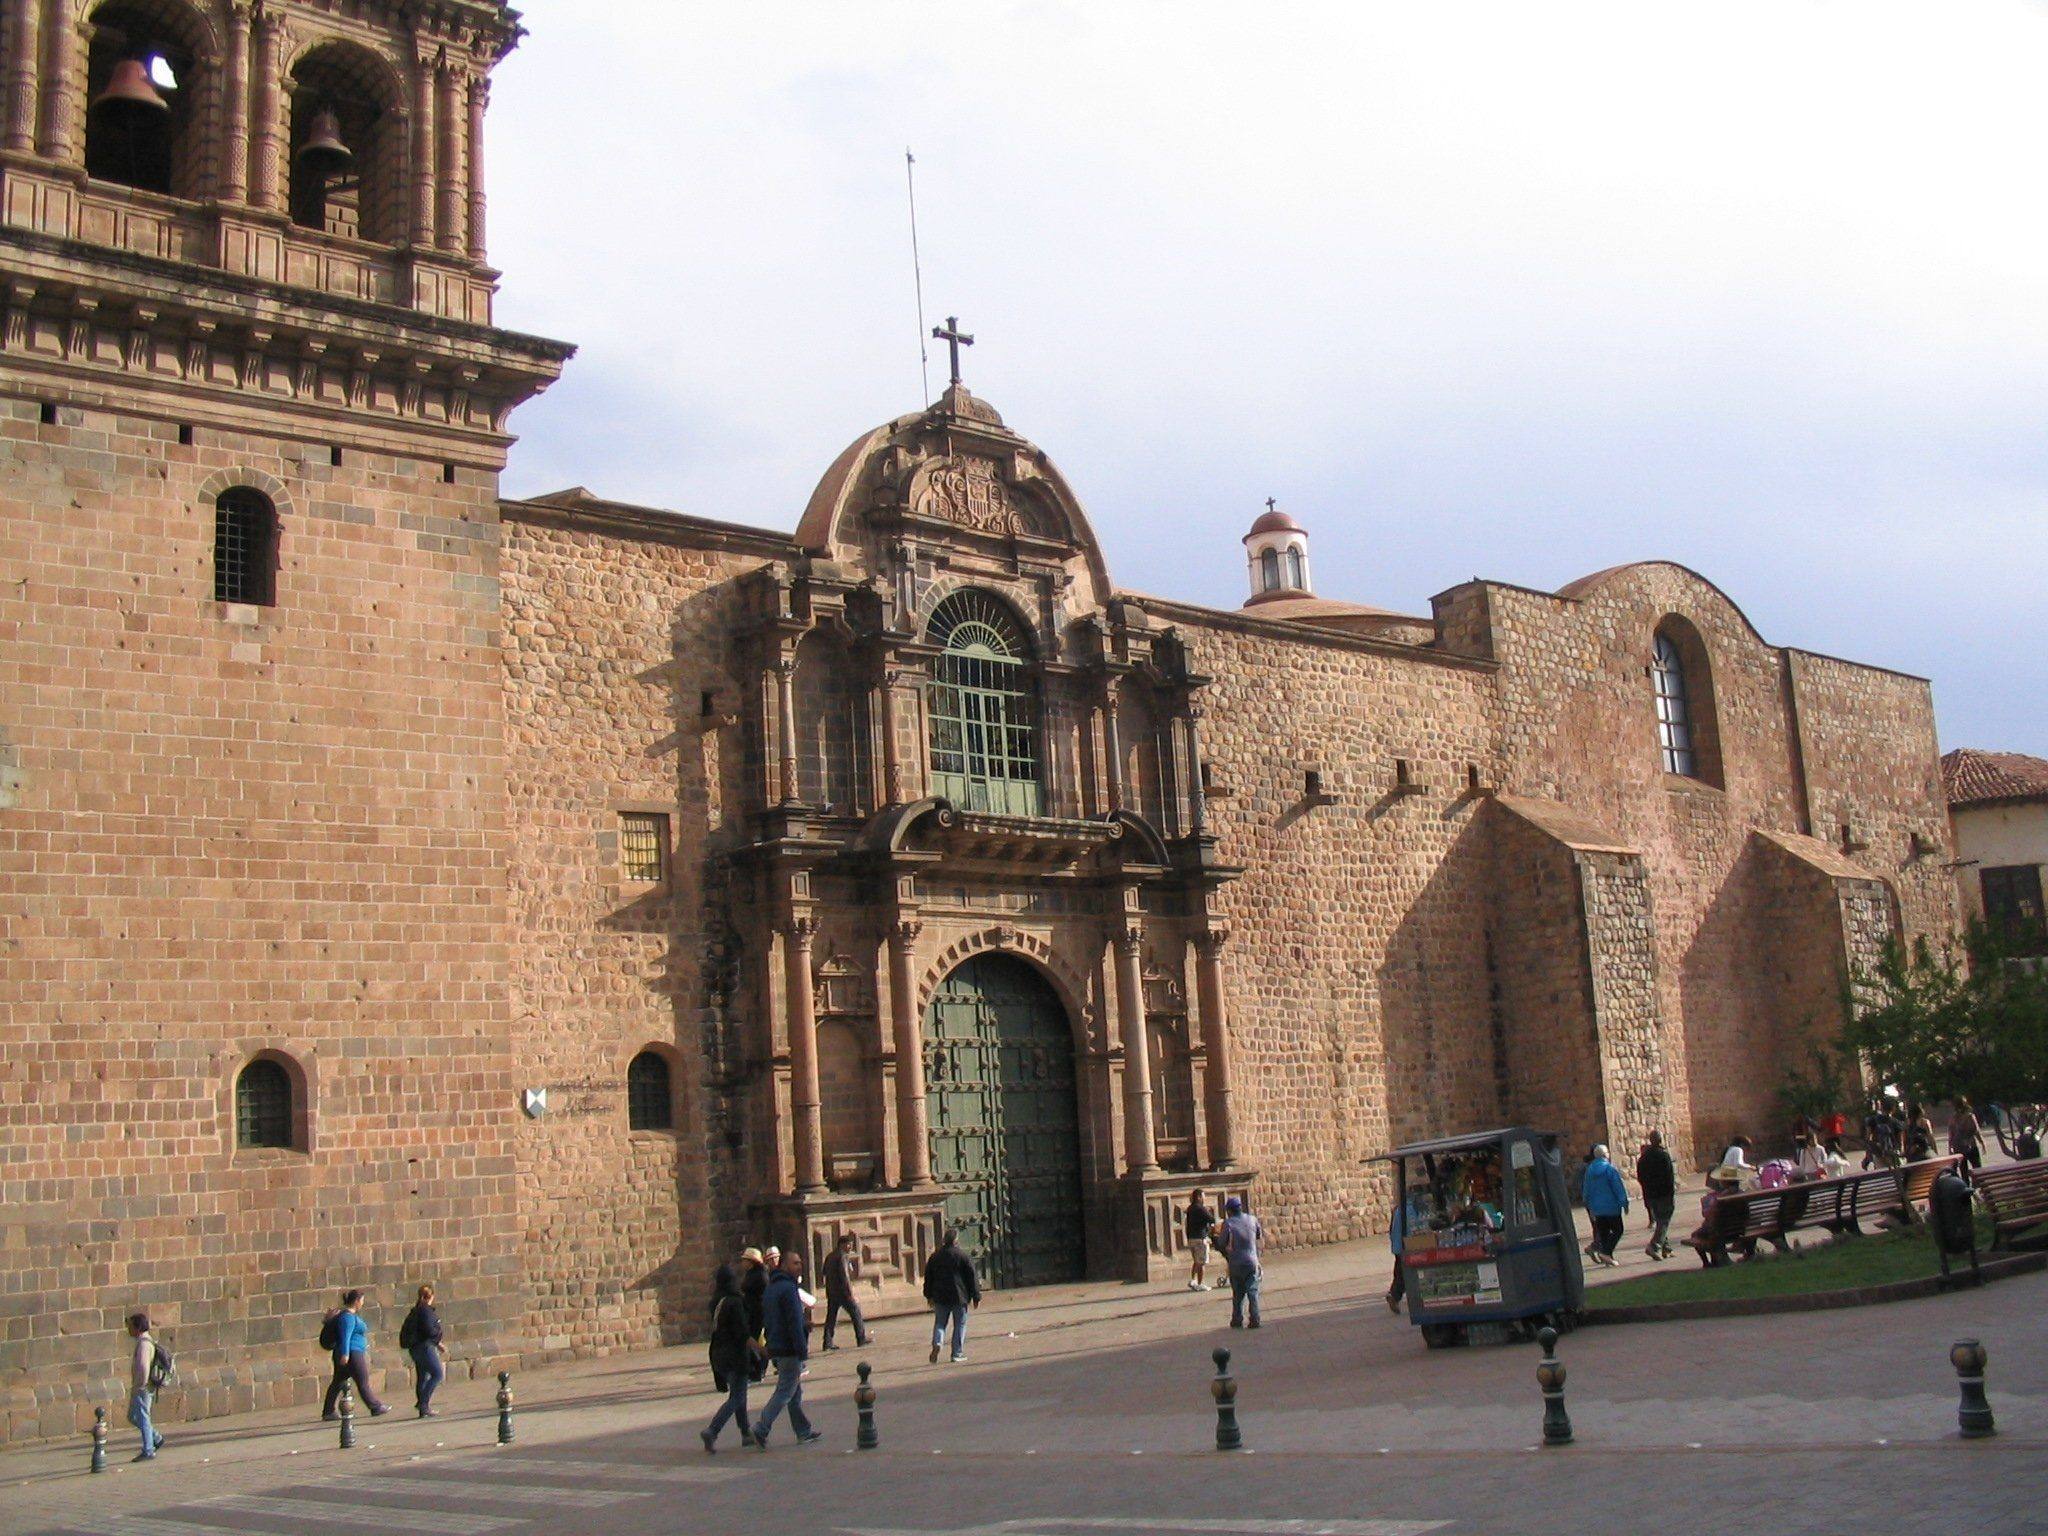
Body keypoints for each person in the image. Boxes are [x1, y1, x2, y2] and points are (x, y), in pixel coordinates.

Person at [750, 1249, 820, 1449]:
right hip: (789, 1348)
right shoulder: (788, 1289)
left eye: (800, 1262)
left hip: (777, 1346)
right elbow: (793, 1322)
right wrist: (802, 1349)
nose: (799, 1266)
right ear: (785, 1266)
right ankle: (762, 1427)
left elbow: (773, 1319)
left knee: (794, 1391)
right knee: (785, 1390)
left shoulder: (772, 1288)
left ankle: (803, 1431)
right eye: (795, 1263)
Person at [700, 1264, 756, 1451]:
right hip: (735, 1355)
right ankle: (712, 1430)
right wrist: (760, 1350)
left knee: (739, 1393)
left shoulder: (716, 1301)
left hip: (719, 1354)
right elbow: (742, 1332)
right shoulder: (734, 1302)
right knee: (737, 1397)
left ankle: (746, 1432)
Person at [320, 1289, 390, 1421]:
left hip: (348, 1352)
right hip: (352, 1353)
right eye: (362, 1300)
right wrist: (345, 1354)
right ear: (357, 1301)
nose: (362, 1303)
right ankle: (375, 1407)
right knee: (362, 1381)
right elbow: (345, 1336)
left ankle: (328, 1411)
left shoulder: (348, 1316)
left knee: (337, 1382)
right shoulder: (347, 1317)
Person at [921, 1228, 981, 1363]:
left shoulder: (935, 1256)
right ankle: (957, 1353)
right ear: (956, 1240)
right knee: (960, 1324)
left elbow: (928, 1277)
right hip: (959, 1296)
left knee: (940, 1323)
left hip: (940, 1296)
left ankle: (938, 1342)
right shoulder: (962, 1256)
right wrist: (976, 1296)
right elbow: (972, 1276)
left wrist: (928, 1295)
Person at [1214, 1196, 1264, 1329]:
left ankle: (1237, 1319)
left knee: (1238, 1293)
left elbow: (1221, 1242)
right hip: (1251, 1261)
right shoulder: (1252, 1219)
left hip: (1235, 1262)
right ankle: (1255, 1318)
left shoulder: (1228, 1223)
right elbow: (1258, 1234)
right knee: (1252, 1291)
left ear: (1229, 1211)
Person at [397, 1284, 445, 1418]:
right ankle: (423, 1404)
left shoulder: (416, 1310)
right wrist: (438, 1335)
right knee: (437, 1374)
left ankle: (423, 1407)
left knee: (422, 1377)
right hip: (425, 1348)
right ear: (430, 1297)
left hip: (416, 1348)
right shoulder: (425, 1310)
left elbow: (421, 1330)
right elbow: (429, 1330)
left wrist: (437, 1343)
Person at [1580, 1144, 1629, 1266]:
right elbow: (1618, 1187)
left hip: (1598, 1209)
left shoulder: (1590, 1170)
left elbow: (1586, 1188)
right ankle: (1606, 1253)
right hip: (1611, 1207)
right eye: (1607, 1152)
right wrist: (1624, 1202)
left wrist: (1587, 1203)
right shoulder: (1609, 1169)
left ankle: (1607, 1257)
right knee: (1618, 1230)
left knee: (1604, 1233)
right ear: (1604, 1155)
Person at [125, 1313, 166, 1462]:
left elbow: (143, 1367)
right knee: (134, 1416)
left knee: (142, 1417)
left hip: (142, 1387)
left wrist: (139, 1384)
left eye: (130, 1326)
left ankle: (148, 1449)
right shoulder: (145, 1341)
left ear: (137, 1327)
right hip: (143, 1386)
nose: (128, 1330)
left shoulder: (144, 1344)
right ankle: (156, 1438)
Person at [820, 1234, 869, 1350]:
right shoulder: (842, 1256)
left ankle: (827, 1342)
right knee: (856, 1313)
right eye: (849, 1245)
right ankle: (861, 1338)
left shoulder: (830, 1256)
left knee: (831, 1317)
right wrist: (850, 1293)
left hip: (832, 1292)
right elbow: (845, 1276)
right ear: (842, 1245)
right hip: (842, 1292)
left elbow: (824, 1272)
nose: (850, 1247)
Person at [1635, 1131, 1677, 1261]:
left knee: (1660, 1220)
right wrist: (1671, 1192)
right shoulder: (1663, 1155)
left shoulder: (1643, 1158)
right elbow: (1669, 1176)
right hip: (1663, 1194)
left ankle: (1666, 1248)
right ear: (1660, 1140)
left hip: (1650, 1194)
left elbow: (1640, 1176)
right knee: (1664, 1220)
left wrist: (1647, 1189)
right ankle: (1654, 1245)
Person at [1183, 1190, 1216, 1292]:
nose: (1204, 1198)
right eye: (1203, 1196)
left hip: (1191, 1238)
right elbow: (1212, 1219)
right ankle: (1200, 1283)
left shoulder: (1190, 1208)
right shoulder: (1200, 1208)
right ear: (1198, 1197)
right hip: (1200, 1238)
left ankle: (1193, 1279)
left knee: (1196, 1261)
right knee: (1201, 1262)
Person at [739, 1248, 769, 1341]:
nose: (742, 1263)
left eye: (744, 1260)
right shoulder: (752, 1274)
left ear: (751, 1262)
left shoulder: (759, 1276)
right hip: (753, 1314)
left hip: (757, 1315)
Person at [1949, 1098, 1984, 1171]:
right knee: (1977, 1168)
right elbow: (1976, 1131)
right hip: (1971, 1146)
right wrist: (1982, 1143)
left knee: (1963, 1171)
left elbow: (1951, 1134)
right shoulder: (1970, 1116)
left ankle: (1966, 1182)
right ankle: (1979, 1182)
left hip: (1958, 1147)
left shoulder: (1953, 1118)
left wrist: (1950, 1147)